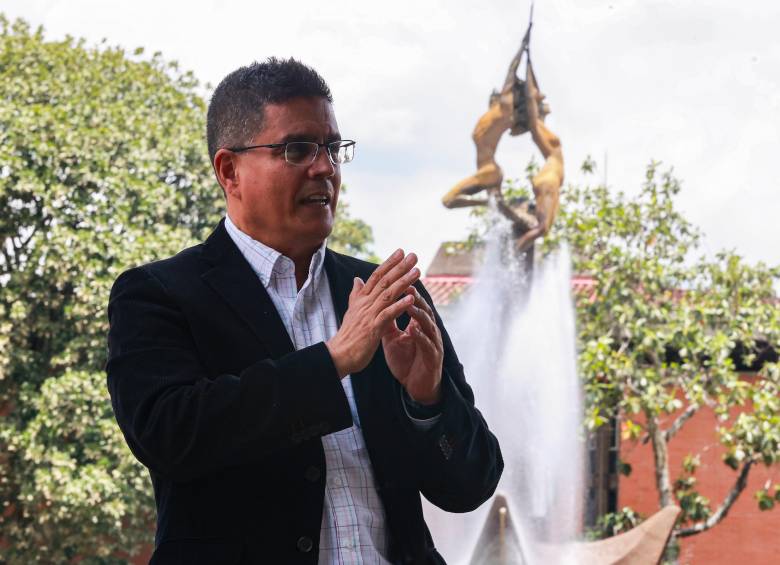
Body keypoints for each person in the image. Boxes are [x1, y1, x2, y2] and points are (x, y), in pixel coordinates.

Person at [106, 58, 502, 565]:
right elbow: (170, 435)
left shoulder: (388, 293)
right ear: (230, 171)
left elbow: (472, 485)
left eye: (333, 148)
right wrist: (333, 359)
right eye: (298, 149)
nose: (325, 168)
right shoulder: (158, 294)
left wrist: (426, 401)